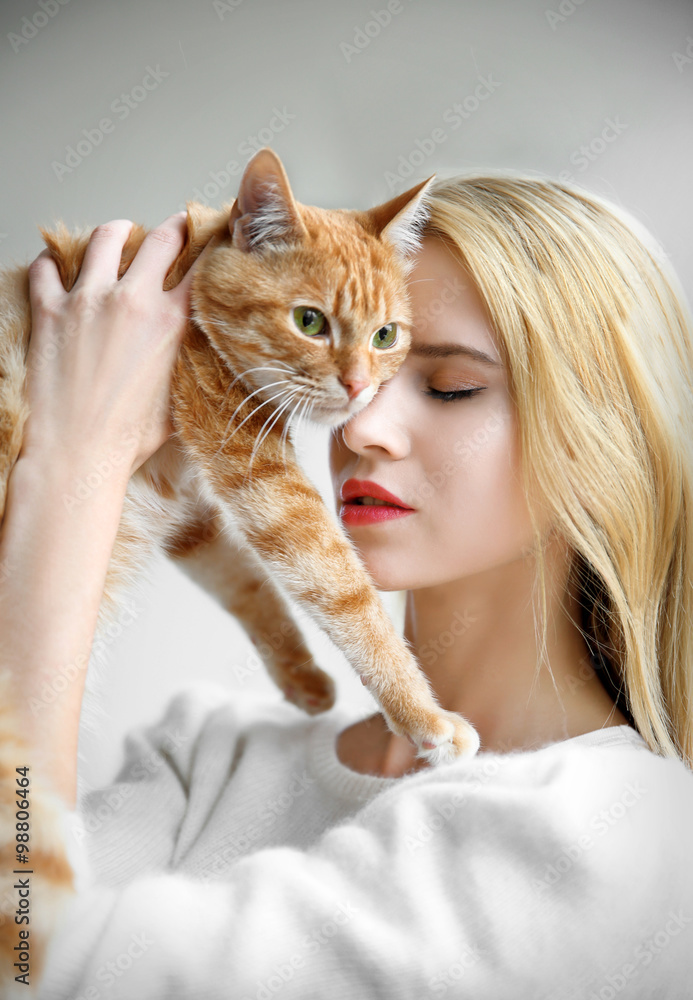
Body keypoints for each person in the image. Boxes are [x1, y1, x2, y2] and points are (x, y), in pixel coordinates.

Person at [1, 173, 692, 999]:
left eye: (449, 387)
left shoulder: (612, 824)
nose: (357, 422)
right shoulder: (210, 751)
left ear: (596, 441)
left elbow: (30, 967)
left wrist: (73, 466)